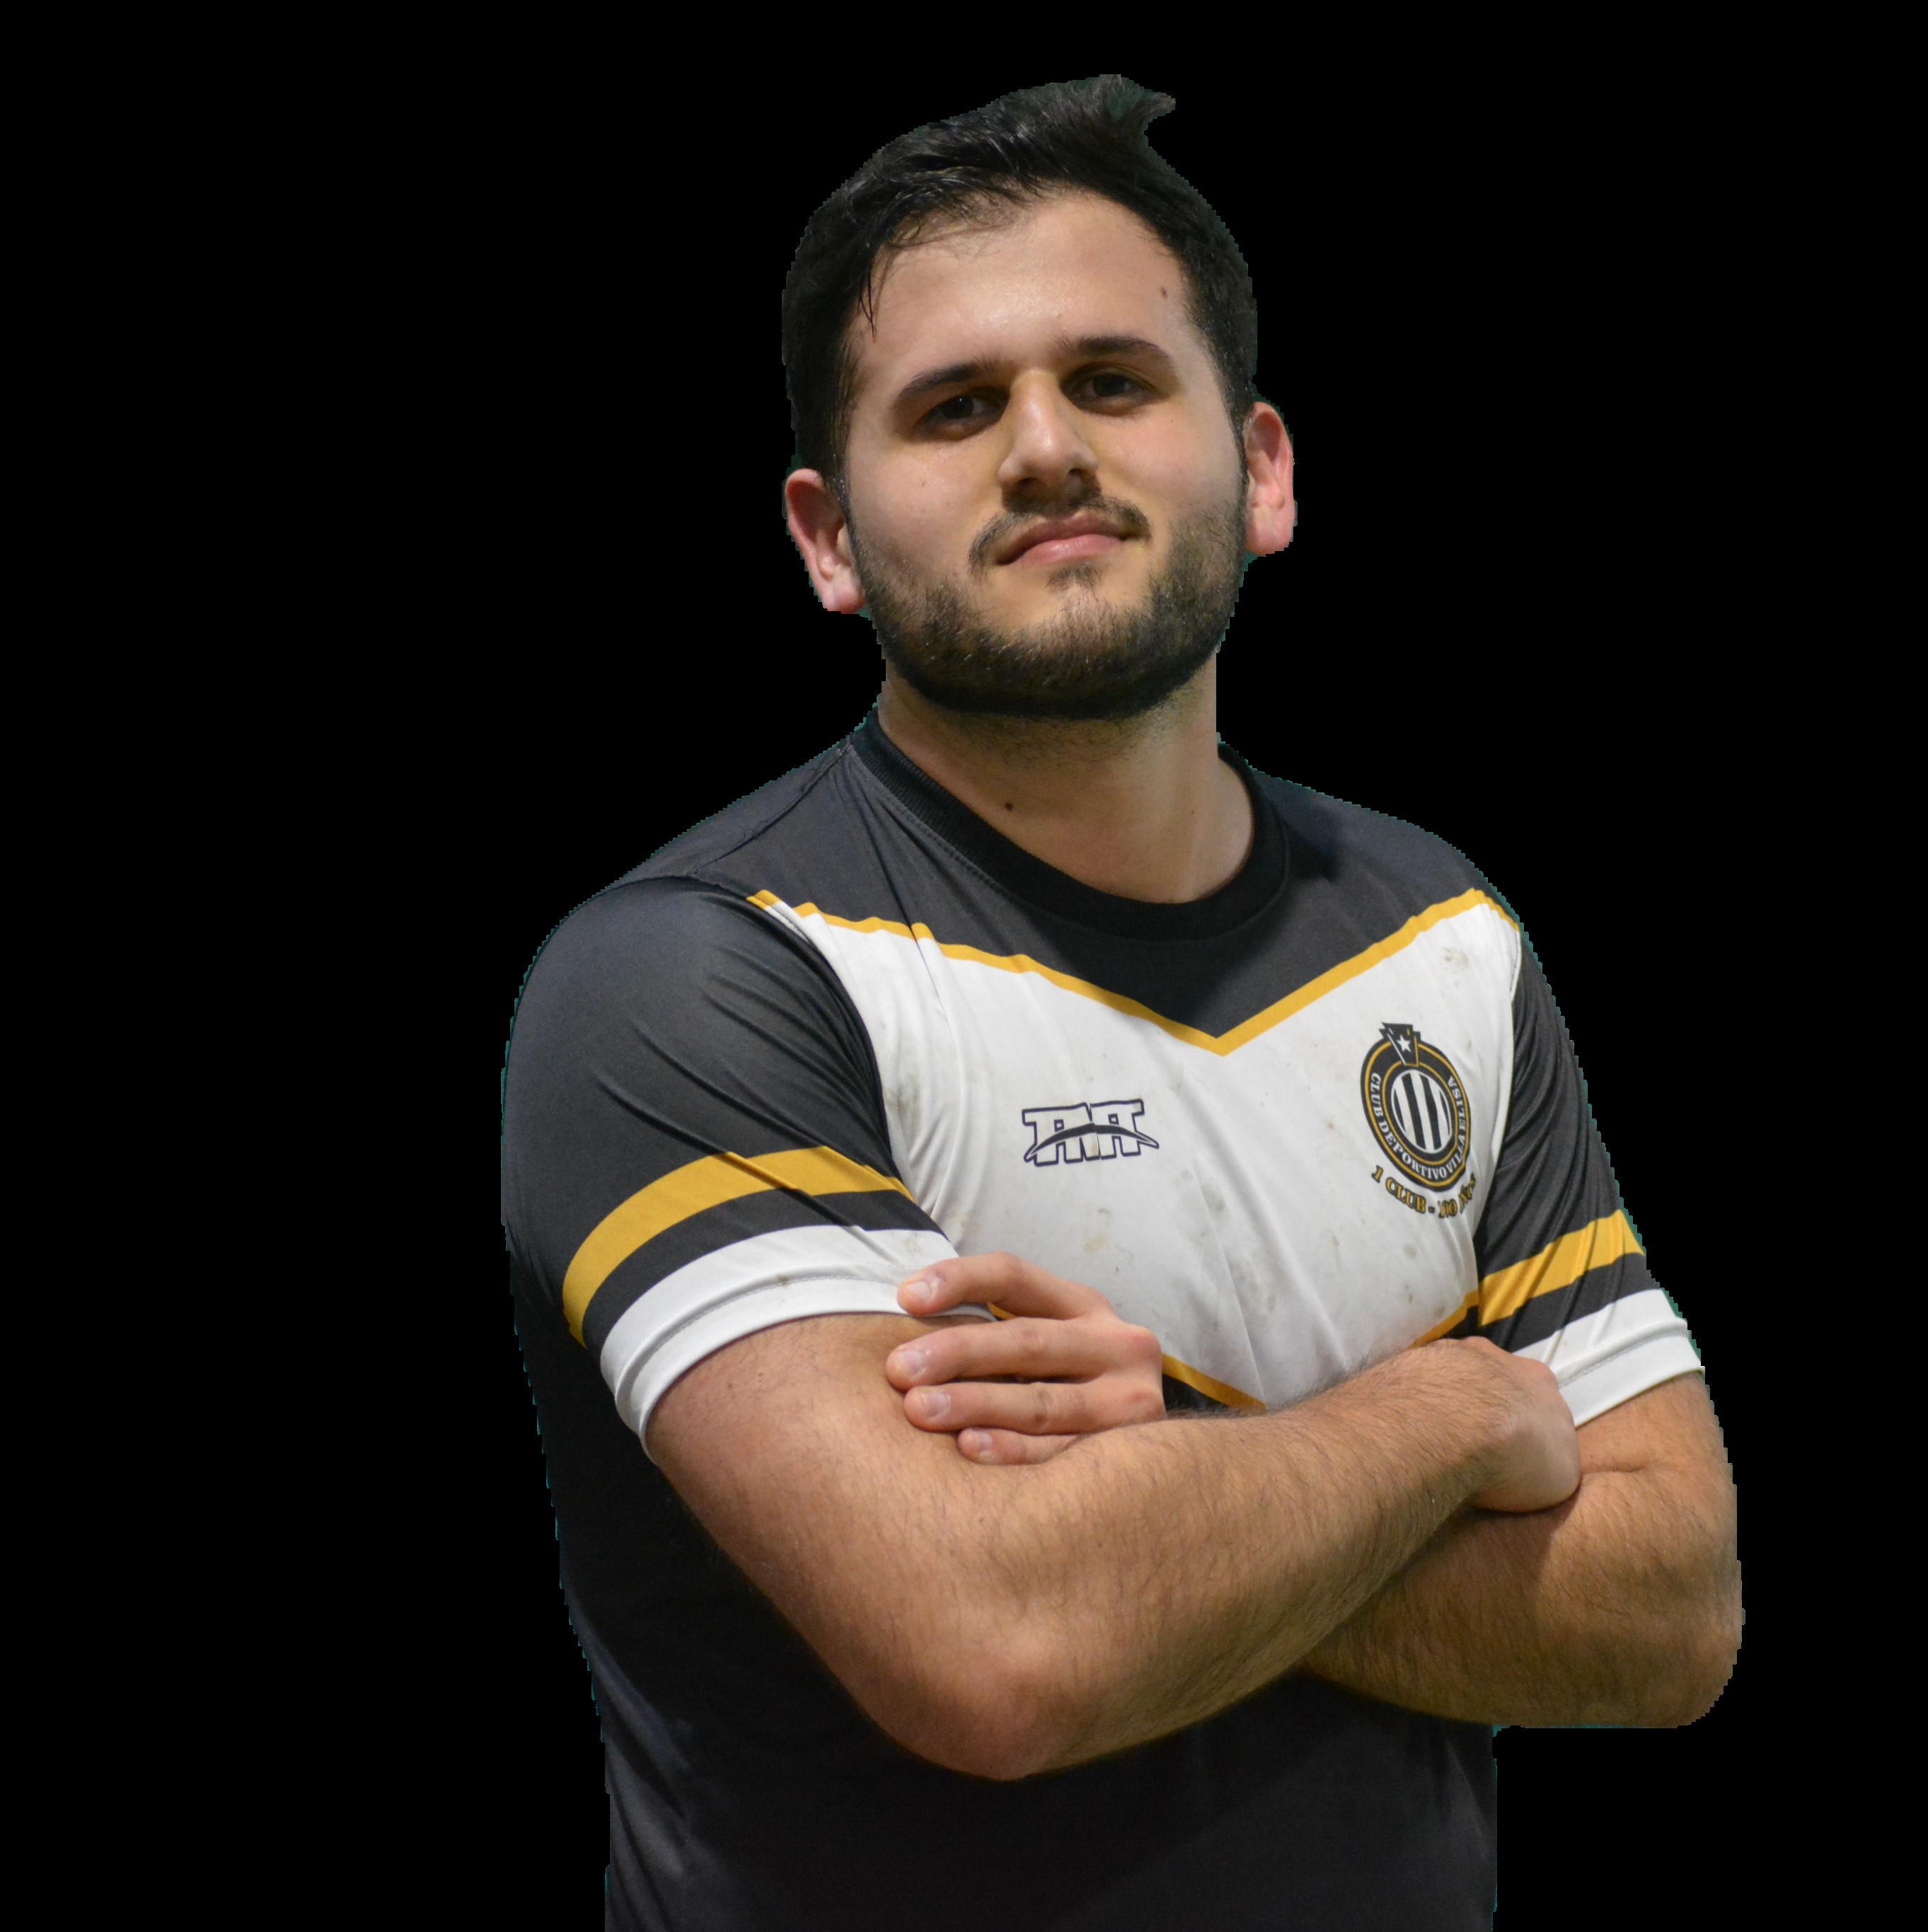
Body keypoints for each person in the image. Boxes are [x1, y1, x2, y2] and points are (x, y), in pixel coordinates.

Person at [500, 74, 1741, 1930]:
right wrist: (1453, 1415)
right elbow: (997, 1646)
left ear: (1263, 469)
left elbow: (1676, 1611)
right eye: (954, 406)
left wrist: (1158, 1472)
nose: (1042, 449)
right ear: (827, 539)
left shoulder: (1441, 936)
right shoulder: (696, 974)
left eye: (1110, 379)